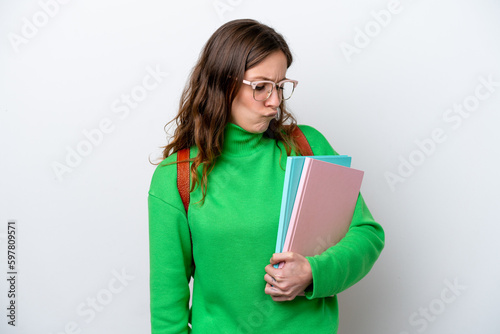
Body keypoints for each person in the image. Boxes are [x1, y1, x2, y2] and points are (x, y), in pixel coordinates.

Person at [148, 18, 385, 334]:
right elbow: (168, 307)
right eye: (260, 87)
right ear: (223, 83)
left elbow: (367, 234)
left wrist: (314, 272)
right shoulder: (176, 177)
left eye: (280, 86)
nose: (275, 102)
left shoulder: (307, 146)